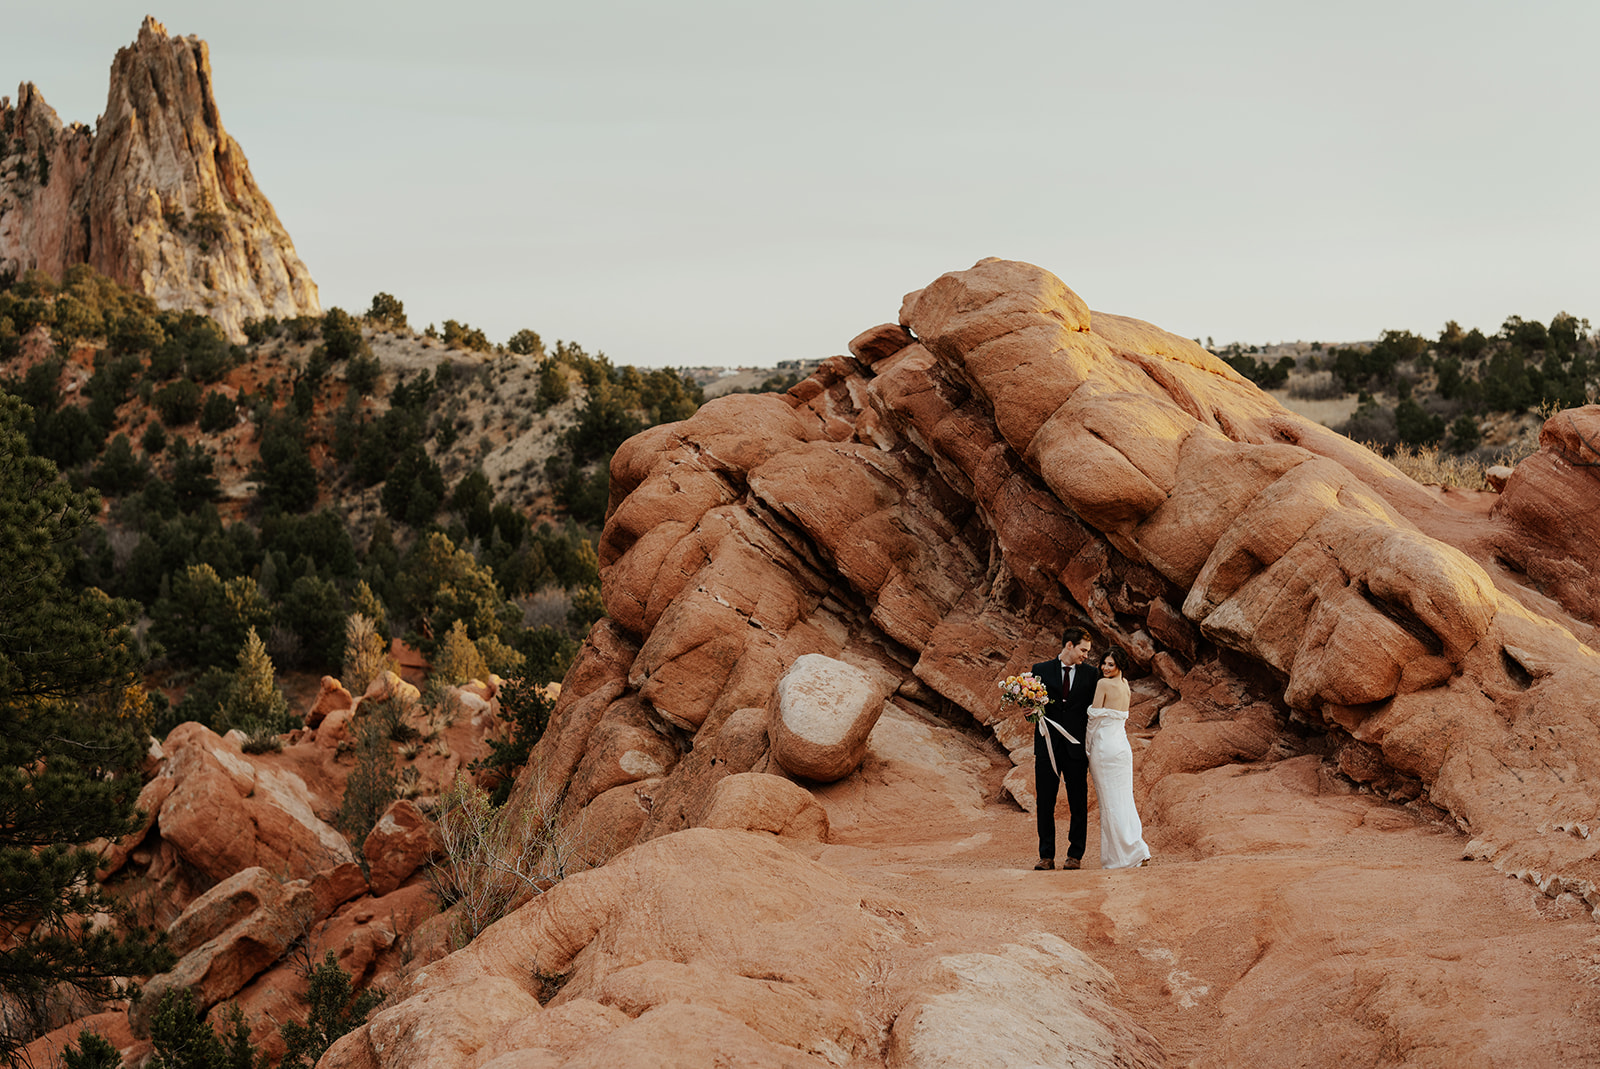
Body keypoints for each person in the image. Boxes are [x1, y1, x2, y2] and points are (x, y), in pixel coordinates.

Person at [1032, 627, 1096, 870]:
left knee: (1078, 802)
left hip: (1076, 749)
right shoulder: (1040, 670)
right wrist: (1028, 710)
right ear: (1069, 645)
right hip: (1047, 745)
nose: (1086, 656)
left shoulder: (1091, 675)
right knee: (1045, 802)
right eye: (1083, 650)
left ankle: (1075, 855)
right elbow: (1031, 704)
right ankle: (1046, 855)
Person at [1085, 648, 1151, 869]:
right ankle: (1136, 848)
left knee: (1109, 804)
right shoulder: (1126, 685)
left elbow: (1093, 720)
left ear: (1119, 664)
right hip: (1122, 747)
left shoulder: (1103, 685)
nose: (1105, 668)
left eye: (1110, 664)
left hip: (1105, 748)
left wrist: (1086, 748)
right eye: (1104, 663)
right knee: (1124, 800)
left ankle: (1121, 857)